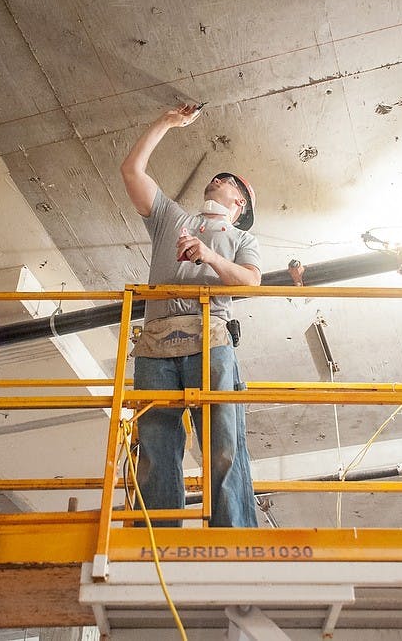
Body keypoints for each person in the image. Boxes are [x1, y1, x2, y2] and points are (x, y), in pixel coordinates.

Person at [120, 103, 260, 527]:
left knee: (222, 442)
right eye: (218, 176)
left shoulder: (241, 237)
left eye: (229, 182)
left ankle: (233, 538)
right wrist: (166, 122)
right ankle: (156, 542)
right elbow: (132, 171)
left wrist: (209, 256)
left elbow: (251, 281)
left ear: (239, 203)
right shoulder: (171, 217)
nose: (218, 179)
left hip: (210, 337)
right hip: (156, 340)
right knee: (156, 445)